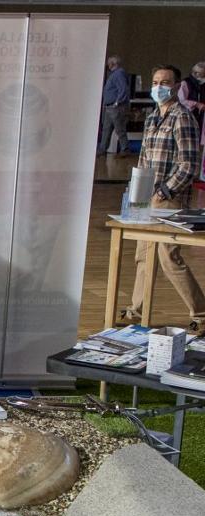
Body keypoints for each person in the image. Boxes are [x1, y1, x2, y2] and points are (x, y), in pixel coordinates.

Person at [123, 65, 204, 334]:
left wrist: (165, 191)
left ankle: (201, 313)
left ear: (176, 85)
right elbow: (143, 158)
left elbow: (189, 163)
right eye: (156, 81)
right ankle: (136, 310)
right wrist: (137, 190)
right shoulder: (151, 118)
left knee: (168, 258)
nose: (159, 87)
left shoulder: (183, 117)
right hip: (145, 196)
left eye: (165, 82)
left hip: (169, 199)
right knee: (143, 255)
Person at [98, 55, 131, 157]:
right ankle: (102, 149)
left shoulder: (119, 74)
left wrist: (118, 102)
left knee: (119, 129)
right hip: (109, 107)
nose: (107, 65)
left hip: (115, 107)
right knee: (106, 129)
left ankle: (125, 149)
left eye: (109, 63)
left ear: (113, 64)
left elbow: (123, 89)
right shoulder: (114, 74)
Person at [179, 60, 205, 130]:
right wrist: (196, 104)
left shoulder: (202, 84)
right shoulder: (185, 83)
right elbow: (181, 101)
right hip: (188, 116)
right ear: (196, 73)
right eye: (203, 75)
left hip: (201, 117)